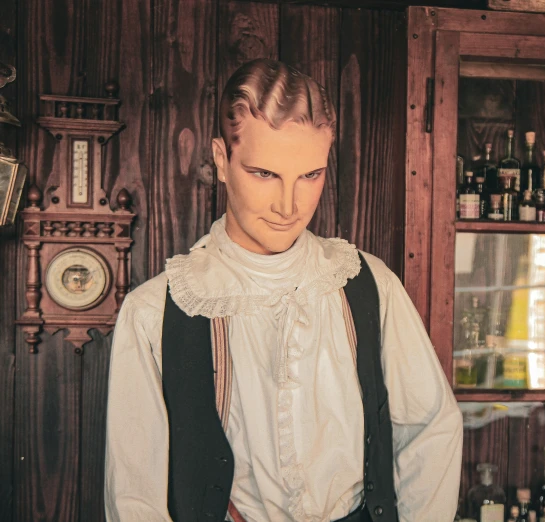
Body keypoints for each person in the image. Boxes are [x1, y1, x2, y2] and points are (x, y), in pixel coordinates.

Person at [104, 59, 462, 522]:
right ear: (221, 159)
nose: (289, 205)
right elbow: (134, 499)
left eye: (310, 175)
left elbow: (431, 428)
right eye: (264, 174)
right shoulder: (153, 311)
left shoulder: (370, 284)